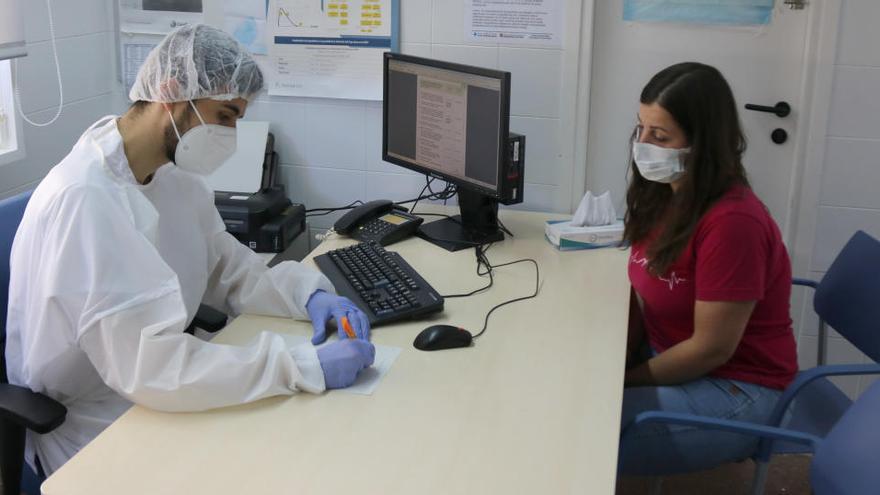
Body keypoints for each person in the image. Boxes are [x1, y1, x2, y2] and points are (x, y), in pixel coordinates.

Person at [5, 24, 375, 477]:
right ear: (171, 91)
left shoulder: (171, 174)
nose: (231, 133)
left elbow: (227, 264)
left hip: (150, 387)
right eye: (225, 115)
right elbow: (149, 367)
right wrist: (299, 365)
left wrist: (309, 295)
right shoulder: (85, 200)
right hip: (94, 422)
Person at [618, 62, 798, 475]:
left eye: (659, 136)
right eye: (641, 129)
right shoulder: (666, 194)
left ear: (703, 144)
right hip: (671, 357)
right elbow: (645, 288)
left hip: (740, 387)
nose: (642, 144)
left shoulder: (734, 223)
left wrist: (626, 379)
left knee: (585, 429)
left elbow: (712, 348)